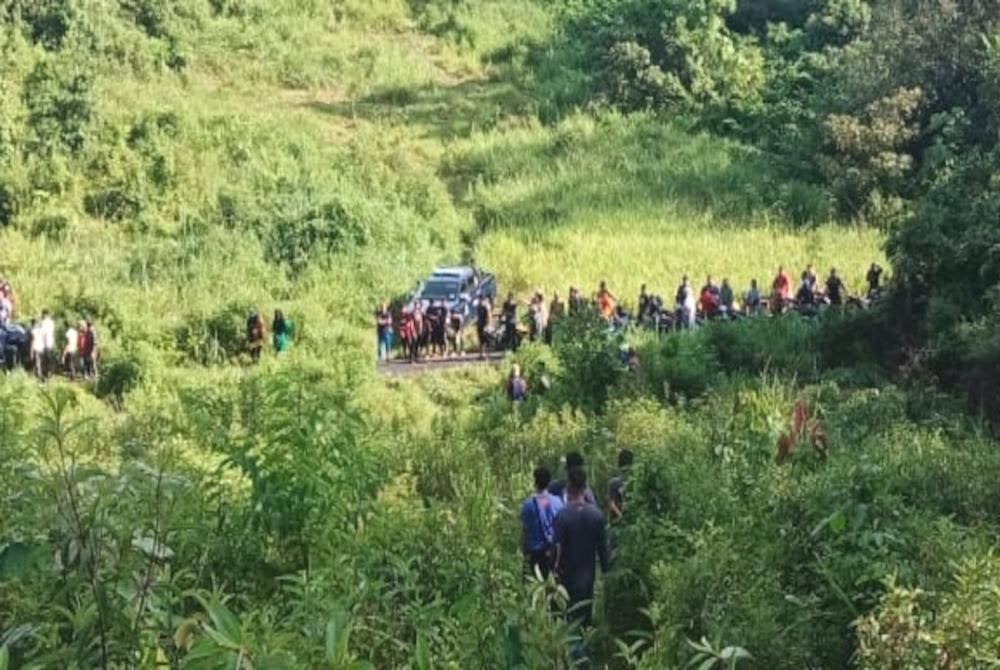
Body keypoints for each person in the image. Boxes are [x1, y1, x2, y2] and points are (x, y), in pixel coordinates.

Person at [554, 466, 610, 629]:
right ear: (585, 488)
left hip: (566, 578)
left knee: (567, 619)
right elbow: (603, 550)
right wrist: (607, 574)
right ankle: (584, 642)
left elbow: (556, 548)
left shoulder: (562, 516)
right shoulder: (596, 515)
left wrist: (552, 571)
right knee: (585, 619)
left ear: (568, 487)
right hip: (587, 578)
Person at [521, 466, 564, 579]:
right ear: (549, 482)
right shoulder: (558, 503)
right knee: (552, 585)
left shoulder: (528, 505)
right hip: (552, 552)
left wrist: (524, 552)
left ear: (535, 482)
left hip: (534, 552)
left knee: (534, 584)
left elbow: (525, 531)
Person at [607, 449, 634, 522]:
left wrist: (620, 516)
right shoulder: (636, 480)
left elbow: (611, 504)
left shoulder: (613, 482)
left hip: (617, 521)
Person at [40, 310, 55, 377]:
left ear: (44, 314)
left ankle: (46, 373)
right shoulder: (52, 322)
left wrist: (44, 344)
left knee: (46, 360)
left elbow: (44, 334)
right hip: (51, 343)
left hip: (46, 344)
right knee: (50, 359)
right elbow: (52, 333)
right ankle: (50, 373)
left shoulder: (44, 322)